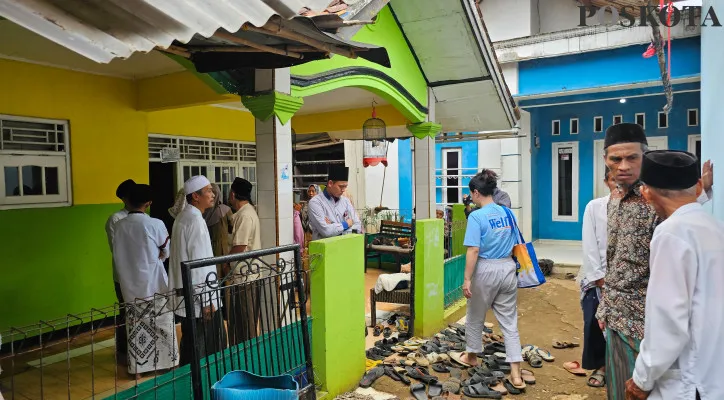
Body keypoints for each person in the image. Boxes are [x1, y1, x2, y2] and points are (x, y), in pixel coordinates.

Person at [594, 123, 714, 400]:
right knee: (617, 390)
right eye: (616, 159)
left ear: (644, 158)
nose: (623, 166)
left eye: (632, 158)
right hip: (614, 315)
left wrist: (700, 192)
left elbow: (684, 222)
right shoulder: (615, 196)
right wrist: (605, 308)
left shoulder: (656, 196)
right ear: (606, 161)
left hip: (647, 326)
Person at [624, 150, 723, 400]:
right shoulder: (714, 226)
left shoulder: (671, 233)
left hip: (689, 383)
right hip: (714, 375)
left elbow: (668, 320)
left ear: (646, 192)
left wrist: (641, 380)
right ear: (699, 185)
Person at [454, 169, 525, 392]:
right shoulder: (508, 213)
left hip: (486, 268)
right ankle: (516, 374)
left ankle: (472, 356)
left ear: (475, 193)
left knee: (475, 315)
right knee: (509, 323)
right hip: (507, 267)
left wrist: (467, 279)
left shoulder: (476, 216)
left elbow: (474, 250)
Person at [112, 184, 178, 376]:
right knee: (163, 324)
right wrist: (158, 253)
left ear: (128, 200)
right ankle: (168, 363)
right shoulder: (154, 224)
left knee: (135, 327)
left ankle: (138, 369)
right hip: (154, 284)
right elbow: (166, 251)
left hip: (130, 287)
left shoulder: (119, 225)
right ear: (148, 203)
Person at [168, 176, 227, 366]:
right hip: (199, 299)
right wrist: (208, 300)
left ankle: (190, 383)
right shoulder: (195, 220)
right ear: (195, 196)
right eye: (208, 190)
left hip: (188, 295)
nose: (213, 194)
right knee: (202, 349)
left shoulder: (183, 217)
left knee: (190, 344)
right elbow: (199, 264)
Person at [576, 168, 616, 388]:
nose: (618, 186)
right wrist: (599, 278)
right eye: (613, 181)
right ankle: (601, 366)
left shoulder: (644, 208)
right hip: (598, 278)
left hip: (629, 283)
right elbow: (590, 244)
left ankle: (623, 367)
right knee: (594, 323)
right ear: (606, 181)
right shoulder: (595, 207)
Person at [225, 177, 263, 343]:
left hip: (245, 278)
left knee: (245, 323)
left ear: (233, 194)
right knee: (240, 322)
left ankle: (247, 359)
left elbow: (240, 246)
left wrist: (225, 262)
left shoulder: (245, 215)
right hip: (245, 275)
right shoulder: (245, 212)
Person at [104, 178, 135, 358]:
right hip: (124, 275)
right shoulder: (116, 219)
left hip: (142, 275)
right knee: (126, 312)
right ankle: (124, 350)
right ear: (125, 199)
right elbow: (118, 249)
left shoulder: (143, 217)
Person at [308, 166, 361, 240]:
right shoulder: (315, 203)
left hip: (345, 247)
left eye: (345, 186)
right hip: (324, 250)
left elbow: (357, 226)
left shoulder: (346, 201)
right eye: (341, 186)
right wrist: (346, 224)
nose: (343, 190)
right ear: (330, 183)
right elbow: (326, 231)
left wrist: (334, 227)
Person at [203, 183, 233, 277]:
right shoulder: (225, 210)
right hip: (222, 249)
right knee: (224, 279)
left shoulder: (202, 211)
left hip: (207, 249)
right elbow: (232, 228)